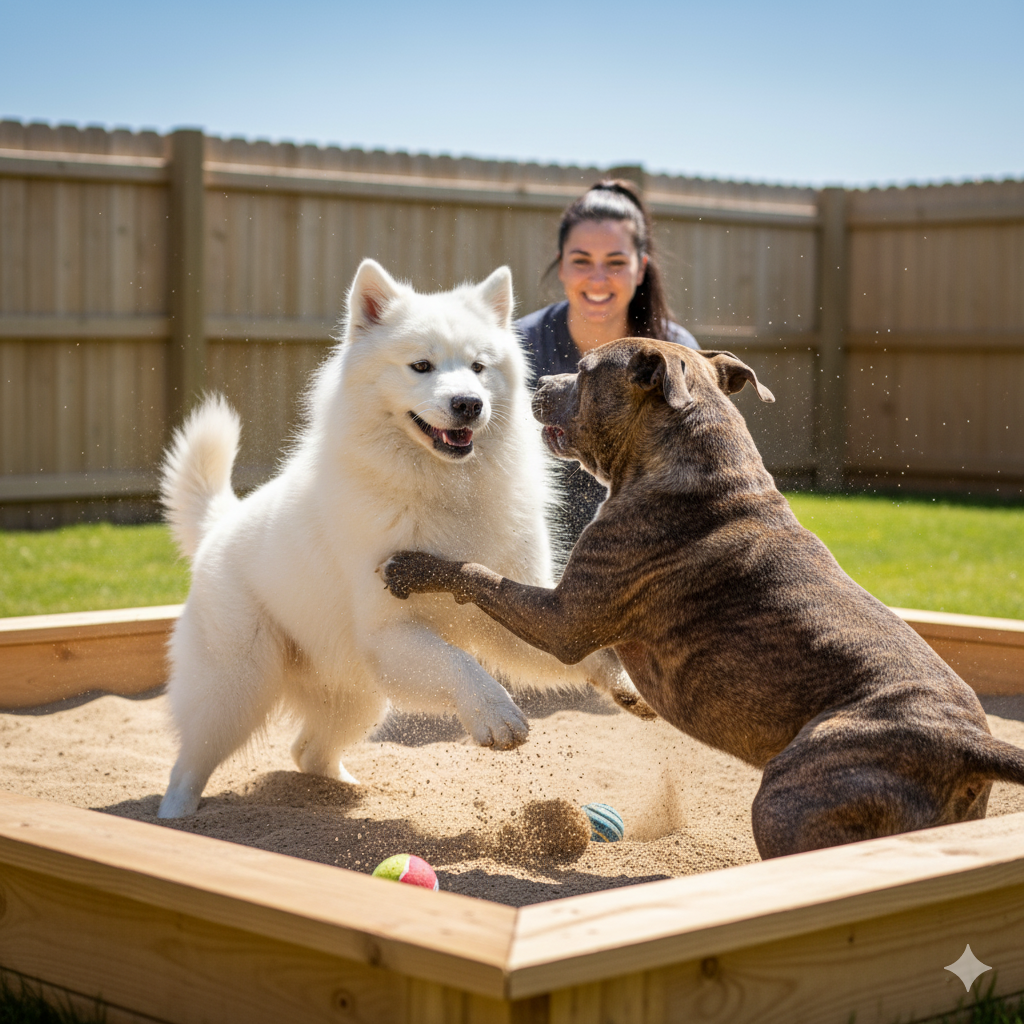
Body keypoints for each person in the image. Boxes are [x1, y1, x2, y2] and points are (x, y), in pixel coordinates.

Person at [515, 179, 699, 549]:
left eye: (616, 263)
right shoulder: (517, 346)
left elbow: (696, 483)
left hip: (644, 558)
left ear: (641, 268)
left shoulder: (676, 353)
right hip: (534, 552)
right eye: (581, 261)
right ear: (561, 265)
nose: (598, 278)